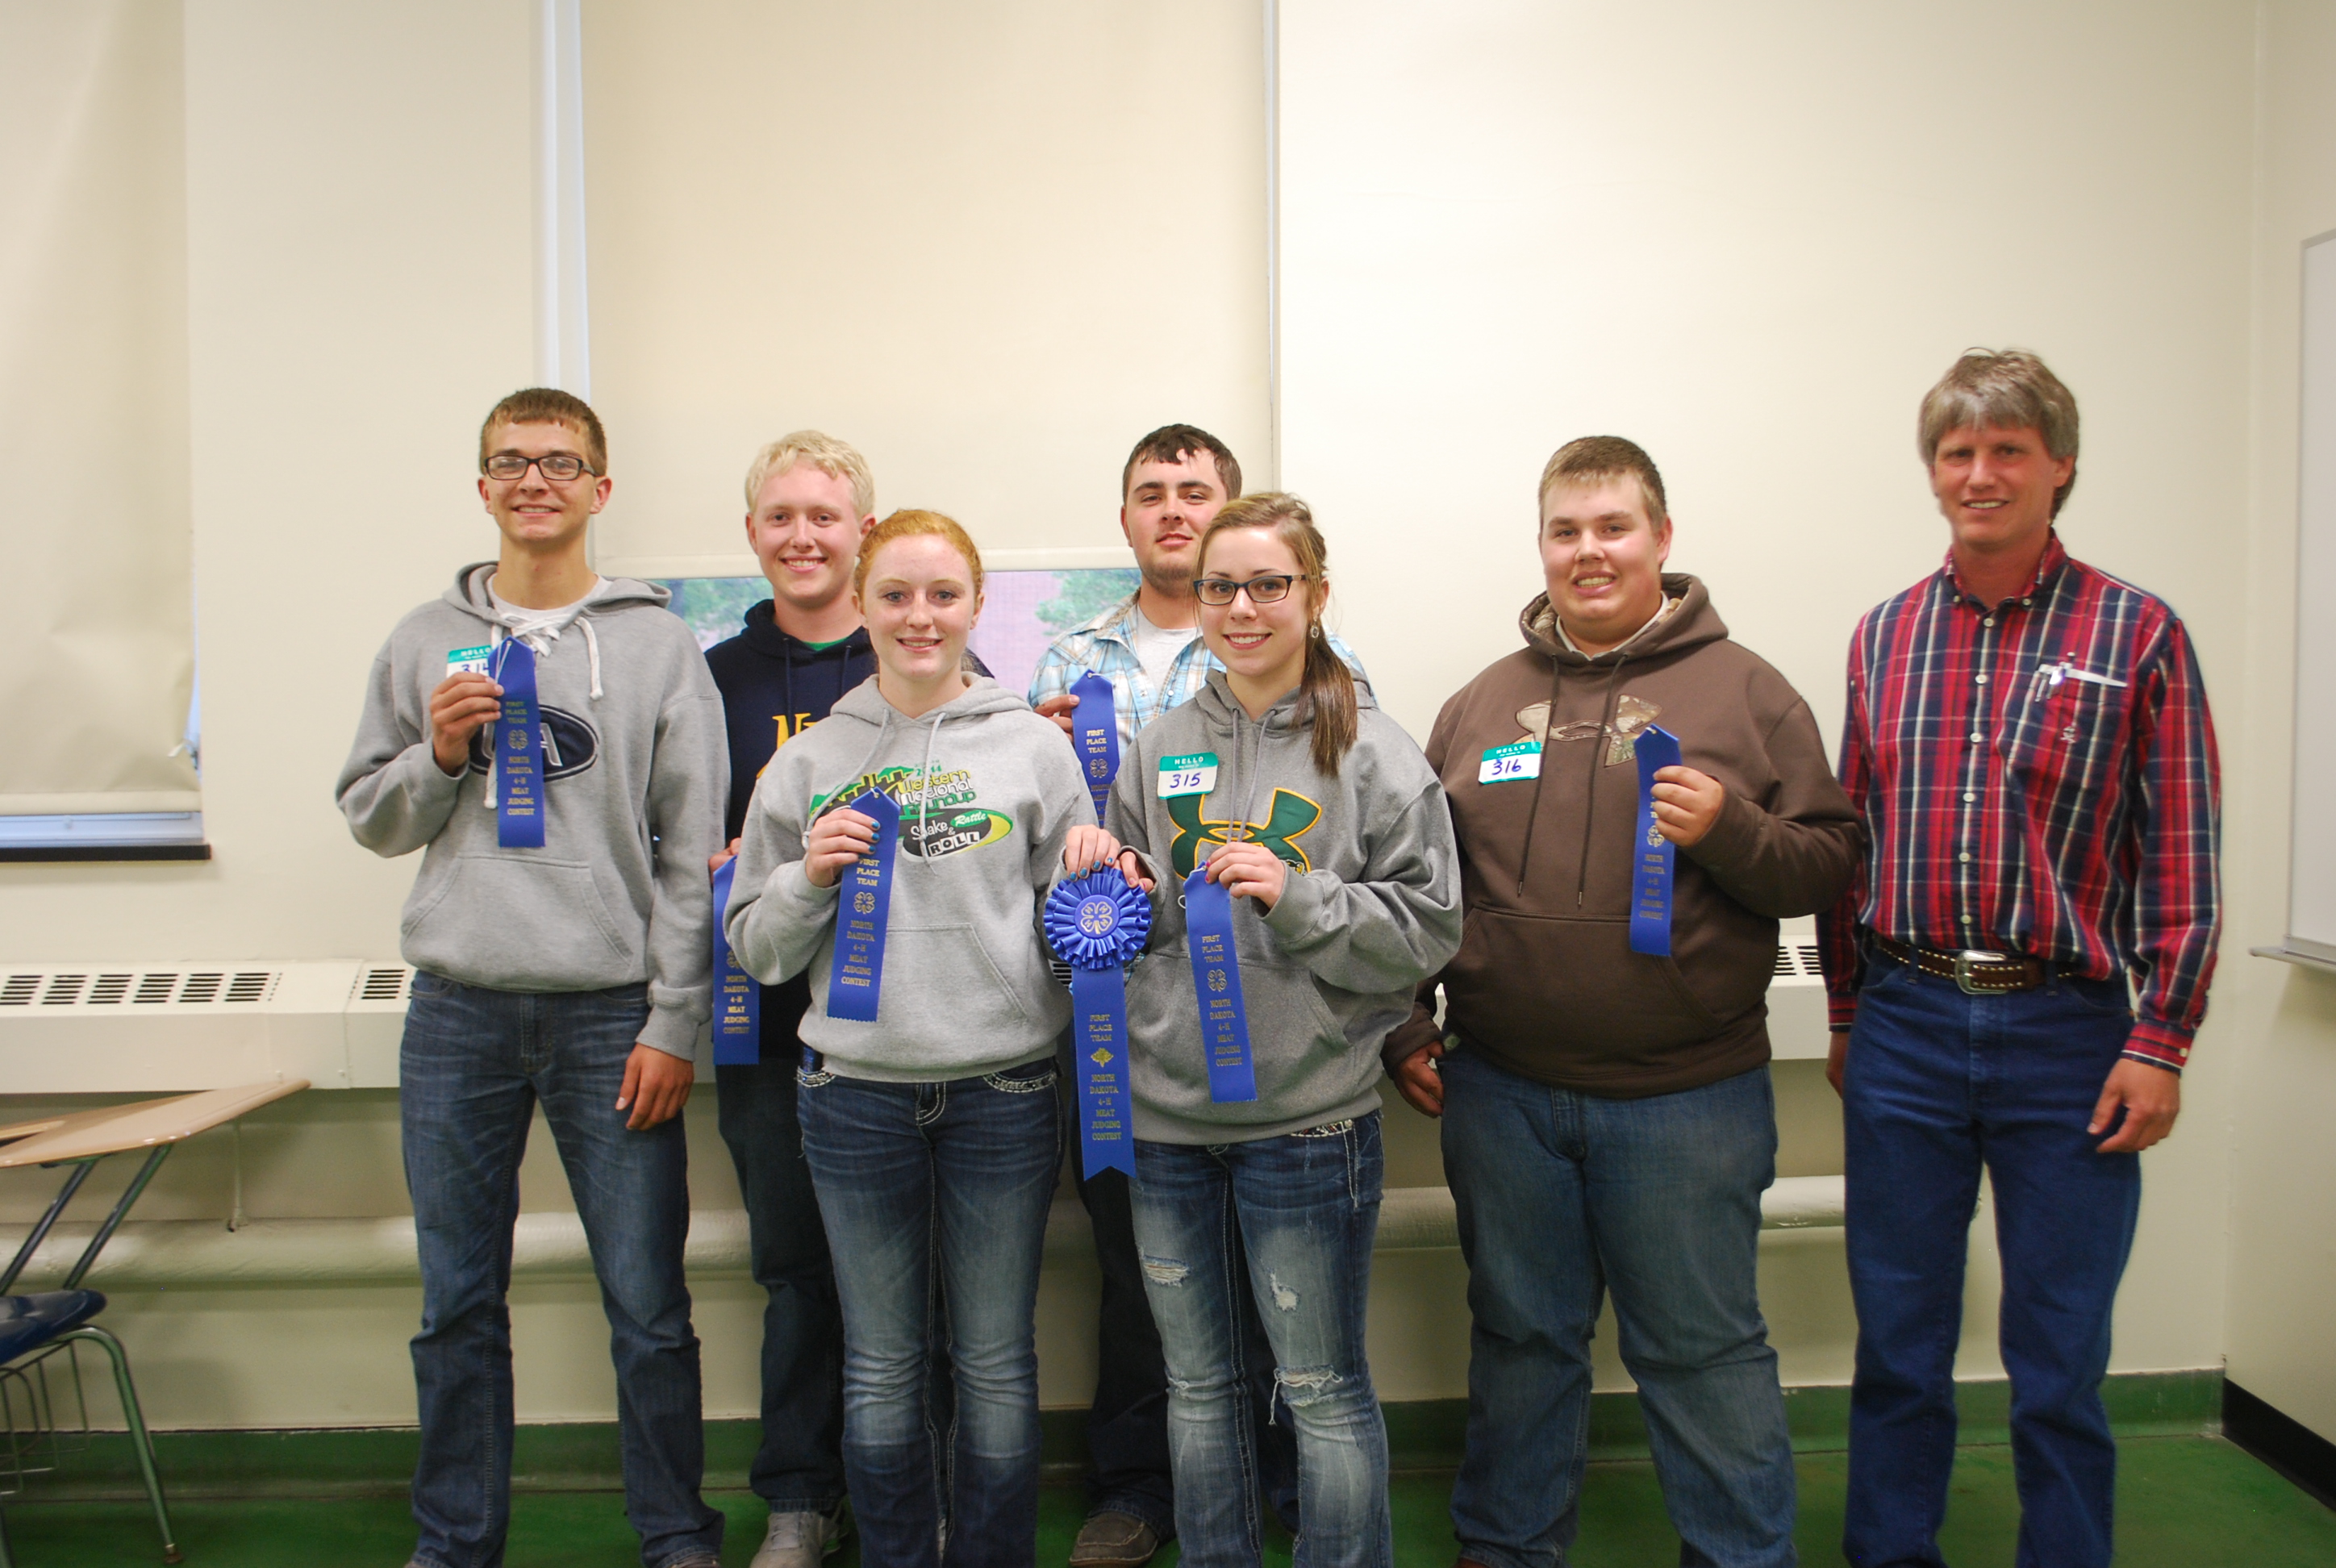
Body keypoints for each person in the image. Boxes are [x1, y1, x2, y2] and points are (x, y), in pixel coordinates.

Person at [1383, 436, 1860, 1568]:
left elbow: (1831, 863)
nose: (1589, 552)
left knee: (1700, 1348)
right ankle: (1507, 1549)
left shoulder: (1747, 691)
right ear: (1542, 545)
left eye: (1613, 528)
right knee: (1519, 1340)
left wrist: (1732, 830)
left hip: (1685, 1102)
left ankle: (1741, 1557)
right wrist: (1409, 1021)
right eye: (1566, 531)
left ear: (1661, 538)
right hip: (1502, 1095)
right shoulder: (1480, 706)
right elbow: (1421, 881)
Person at [1817, 350, 2221, 1568]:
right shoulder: (1885, 634)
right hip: (1906, 1021)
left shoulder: (2136, 631)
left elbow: (2184, 852)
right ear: (1934, 470)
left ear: (2061, 466)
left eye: (2007, 451)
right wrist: (1846, 1016)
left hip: (2070, 1036)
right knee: (1897, 1341)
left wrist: (2163, 1041)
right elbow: (1851, 840)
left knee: (2058, 1355)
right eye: (1958, 452)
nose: (1980, 474)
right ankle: (1893, 1552)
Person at [336, 388, 729, 1568]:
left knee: (648, 1308)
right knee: (456, 1305)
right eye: (511, 462)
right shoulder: (420, 639)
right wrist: (440, 753)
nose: (535, 481)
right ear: (483, 487)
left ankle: (674, 1535)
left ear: (600, 490)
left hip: (614, 1017)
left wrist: (673, 1019)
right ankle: (457, 1541)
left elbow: (688, 843)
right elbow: (371, 817)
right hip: (457, 1016)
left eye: (561, 463)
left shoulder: (658, 648)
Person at [1097, 493, 1462, 1568]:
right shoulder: (1161, 745)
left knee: (1318, 1386)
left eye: (1269, 584)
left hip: (1306, 1122)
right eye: (1222, 586)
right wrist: (1117, 885)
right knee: (1200, 1388)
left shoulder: (1380, 754)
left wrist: (1298, 897)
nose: (1242, 607)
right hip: (1168, 1121)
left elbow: (1429, 930)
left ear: (1315, 595)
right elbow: (1146, 910)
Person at [724, 510, 1089, 1568]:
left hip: (1005, 1091)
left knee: (993, 1360)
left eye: (942, 596)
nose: (918, 617)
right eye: (895, 596)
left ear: (976, 607)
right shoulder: (808, 762)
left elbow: (1068, 933)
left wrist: (1100, 894)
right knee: (881, 1363)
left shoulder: (1035, 746)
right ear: (863, 605)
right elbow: (756, 947)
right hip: (853, 1097)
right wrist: (807, 876)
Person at [1028, 426, 1364, 1566]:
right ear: (1127, 517)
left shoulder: (1346, 695)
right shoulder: (1071, 670)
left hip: (1291, 1062)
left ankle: (1292, 1487)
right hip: (1139, 1044)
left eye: (1195, 494)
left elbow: (1380, 873)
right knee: (1154, 1299)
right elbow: (1074, 854)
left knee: (1301, 1334)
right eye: (1150, 495)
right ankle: (1143, 1492)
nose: (1173, 512)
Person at [700, 431, 878, 1568]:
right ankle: (803, 1500)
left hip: (895, 1032)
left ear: (866, 526)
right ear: (753, 533)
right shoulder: (706, 679)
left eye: (826, 514)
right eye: (781, 516)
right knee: (798, 1273)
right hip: (761, 1025)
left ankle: (915, 1488)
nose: (804, 536)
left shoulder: (920, 656)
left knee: (925, 1284)